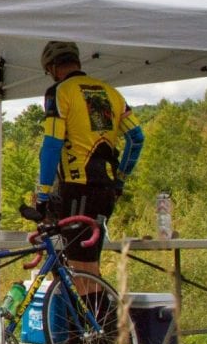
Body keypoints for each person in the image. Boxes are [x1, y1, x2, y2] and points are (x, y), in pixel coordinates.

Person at [20, 41, 145, 278]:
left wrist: (42, 194)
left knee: (81, 273)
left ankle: (105, 317)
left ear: (53, 67)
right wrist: (120, 180)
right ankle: (80, 315)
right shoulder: (111, 93)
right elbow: (136, 139)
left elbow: (52, 144)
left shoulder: (59, 91)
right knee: (73, 268)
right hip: (105, 190)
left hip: (77, 190)